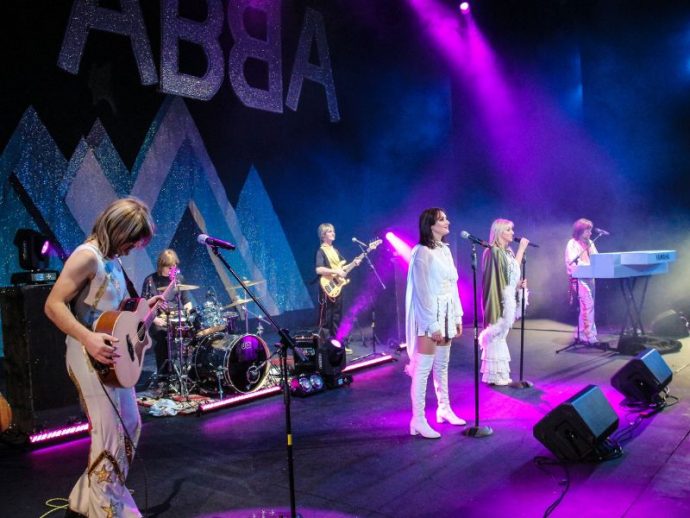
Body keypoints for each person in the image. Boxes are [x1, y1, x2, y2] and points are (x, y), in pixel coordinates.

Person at [45, 197, 158, 518]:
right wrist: (88, 338)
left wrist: (144, 316)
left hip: (113, 357)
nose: (132, 249)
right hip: (87, 354)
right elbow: (52, 305)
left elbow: (115, 315)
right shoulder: (87, 256)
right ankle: (105, 508)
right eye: (131, 242)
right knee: (108, 436)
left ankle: (88, 500)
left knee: (130, 425)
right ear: (119, 229)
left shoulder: (113, 261)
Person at [405, 208, 464, 439]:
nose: (447, 222)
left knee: (442, 366)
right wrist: (432, 324)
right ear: (430, 225)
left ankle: (444, 408)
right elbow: (421, 291)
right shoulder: (421, 252)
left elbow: (452, 286)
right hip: (430, 315)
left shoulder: (445, 250)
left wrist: (457, 316)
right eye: (442, 219)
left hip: (447, 312)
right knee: (423, 369)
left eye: (446, 218)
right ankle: (418, 419)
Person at [479, 219, 529, 386]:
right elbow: (499, 279)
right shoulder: (493, 251)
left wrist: (518, 285)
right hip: (497, 299)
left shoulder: (507, 252)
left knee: (501, 336)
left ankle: (499, 374)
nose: (512, 233)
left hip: (506, 298)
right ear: (499, 232)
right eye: (508, 229)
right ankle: (494, 375)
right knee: (496, 335)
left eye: (512, 229)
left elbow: (511, 275)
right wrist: (521, 249)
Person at [141, 249, 193, 375]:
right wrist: (155, 320)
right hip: (159, 319)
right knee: (163, 339)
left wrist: (188, 315)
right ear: (161, 266)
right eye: (170, 267)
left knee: (194, 333)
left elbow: (186, 301)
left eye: (174, 266)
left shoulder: (179, 279)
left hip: (176, 317)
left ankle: (190, 371)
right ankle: (164, 375)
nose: (172, 269)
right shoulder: (150, 280)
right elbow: (143, 306)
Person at [315, 223, 361, 342]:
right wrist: (336, 271)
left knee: (337, 316)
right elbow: (319, 269)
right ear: (323, 235)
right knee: (326, 317)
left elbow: (342, 268)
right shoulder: (321, 251)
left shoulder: (335, 250)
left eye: (333, 231)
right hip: (327, 287)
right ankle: (325, 344)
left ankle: (336, 343)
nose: (333, 233)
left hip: (337, 286)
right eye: (330, 231)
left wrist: (354, 263)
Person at [565, 218, 600, 345]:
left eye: (590, 230)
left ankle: (580, 333)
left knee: (587, 306)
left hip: (590, 277)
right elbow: (572, 262)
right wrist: (589, 266)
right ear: (580, 231)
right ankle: (589, 335)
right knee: (588, 304)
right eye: (587, 230)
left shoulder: (590, 243)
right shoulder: (572, 243)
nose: (590, 233)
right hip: (578, 278)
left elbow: (596, 258)